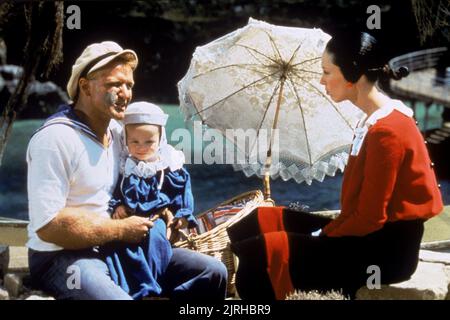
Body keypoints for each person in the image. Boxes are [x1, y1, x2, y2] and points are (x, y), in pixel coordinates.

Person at [227, 31, 444, 300]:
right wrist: (325, 232)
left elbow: (370, 218)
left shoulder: (388, 129)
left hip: (384, 252)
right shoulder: (373, 121)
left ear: (353, 75)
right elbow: (360, 212)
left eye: (327, 72)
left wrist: (323, 236)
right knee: (261, 220)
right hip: (369, 235)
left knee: (262, 252)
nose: (321, 80)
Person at [26, 41, 227, 300]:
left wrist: (167, 212)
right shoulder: (55, 139)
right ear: (85, 86)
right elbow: (48, 226)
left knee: (212, 272)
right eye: (115, 84)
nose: (126, 93)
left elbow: (155, 175)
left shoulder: (120, 134)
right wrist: (119, 230)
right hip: (63, 255)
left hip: (124, 248)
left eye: (129, 85)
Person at [100, 101, 198, 299]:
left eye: (149, 142)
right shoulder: (125, 166)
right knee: (118, 247)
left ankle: (151, 283)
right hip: (130, 218)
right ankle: (130, 285)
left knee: (155, 240)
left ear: (160, 139)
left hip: (156, 217)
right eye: (134, 142)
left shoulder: (167, 165)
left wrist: (182, 214)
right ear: (125, 140)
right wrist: (117, 205)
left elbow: (181, 191)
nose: (141, 148)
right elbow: (114, 191)